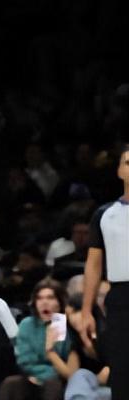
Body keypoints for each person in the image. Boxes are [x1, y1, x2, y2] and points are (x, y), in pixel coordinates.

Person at [77, 144, 127, 400]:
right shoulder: (104, 214)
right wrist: (86, 310)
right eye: (128, 162)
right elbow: (94, 265)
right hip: (120, 296)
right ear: (119, 171)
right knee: (123, 370)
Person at [0, 280, 77, 400]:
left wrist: (50, 355)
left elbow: (68, 366)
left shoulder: (66, 325)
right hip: (31, 378)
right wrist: (43, 375)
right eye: (39, 298)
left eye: (50, 298)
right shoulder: (27, 324)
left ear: (60, 302)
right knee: (11, 383)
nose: (44, 302)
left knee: (53, 384)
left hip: (60, 380)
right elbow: (25, 361)